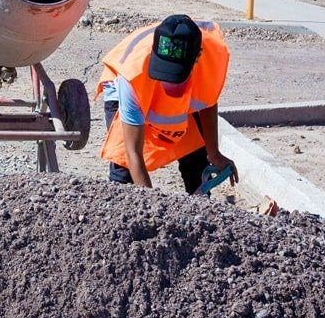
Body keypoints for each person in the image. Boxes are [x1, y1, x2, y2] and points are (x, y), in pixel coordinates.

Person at [96, 14, 238, 193]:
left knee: (195, 160)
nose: (168, 83)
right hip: (128, 83)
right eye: (164, 74)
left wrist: (214, 153)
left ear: (197, 58)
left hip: (163, 77)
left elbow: (207, 101)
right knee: (124, 170)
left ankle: (202, 209)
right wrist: (154, 208)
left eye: (176, 76)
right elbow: (133, 154)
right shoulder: (132, 77)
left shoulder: (210, 59)